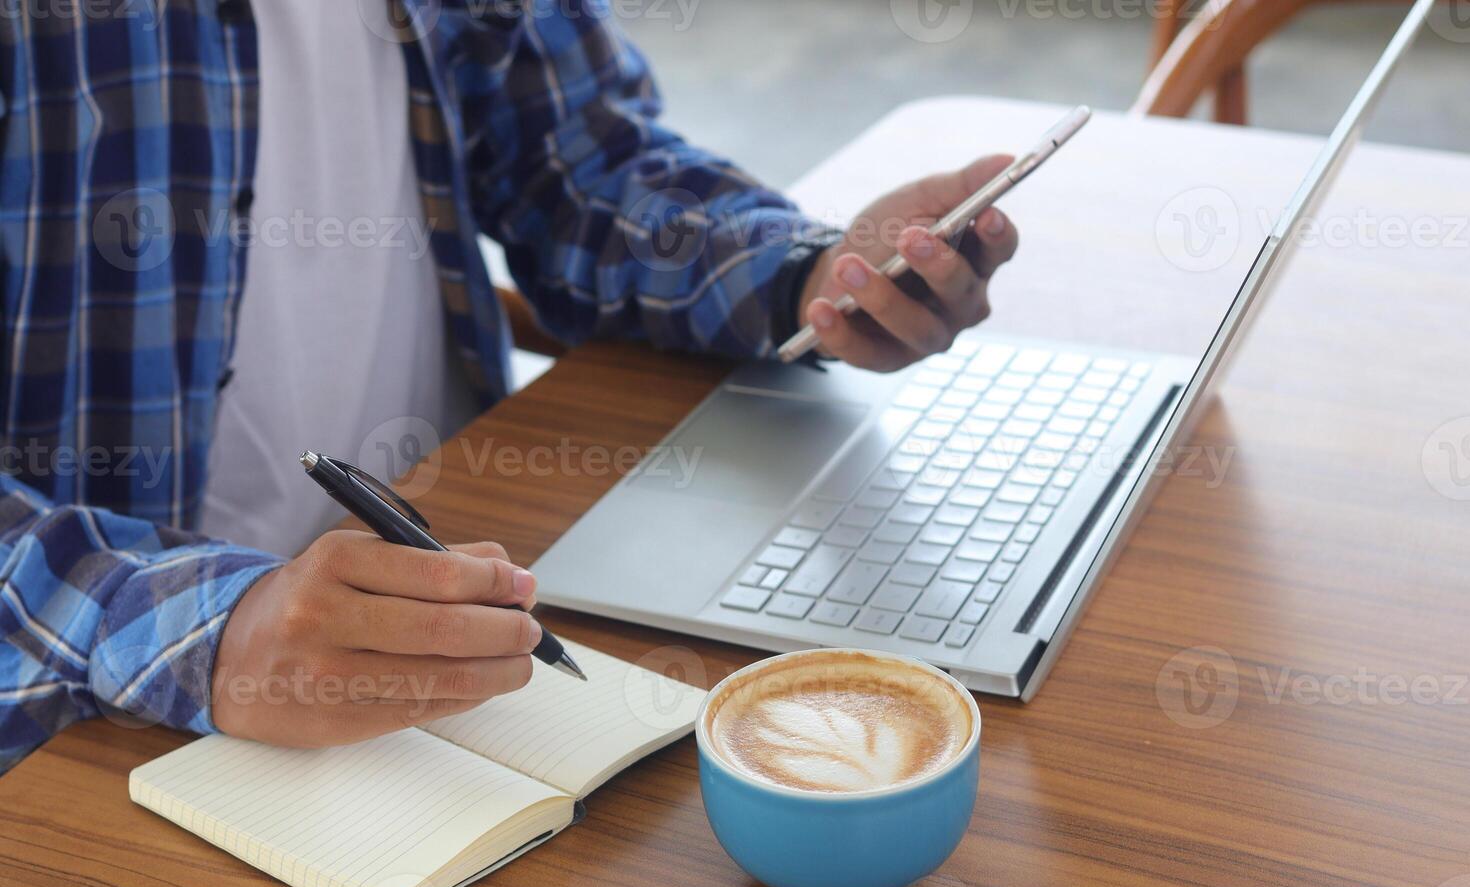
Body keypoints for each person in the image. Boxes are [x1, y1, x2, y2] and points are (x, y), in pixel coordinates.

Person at [0, 0, 1018, 771]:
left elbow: (571, 158)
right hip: (99, 707)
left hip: (470, 574)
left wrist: (809, 278)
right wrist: (205, 628)